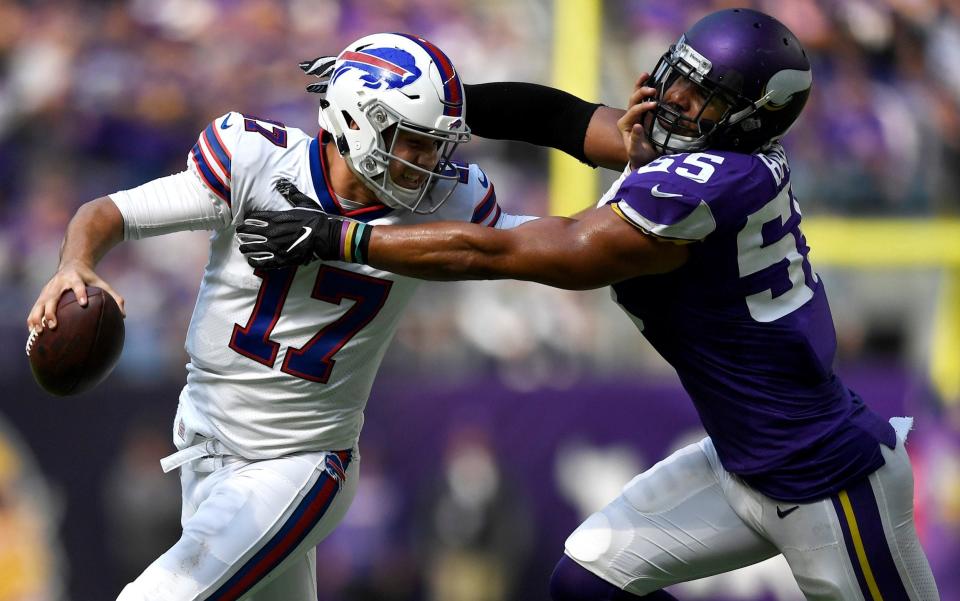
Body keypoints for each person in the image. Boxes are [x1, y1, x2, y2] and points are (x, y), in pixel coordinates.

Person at [237, 9, 941, 600]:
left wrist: (345, 237)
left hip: (827, 476)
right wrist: (409, 96)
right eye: (681, 79)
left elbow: (521, 252)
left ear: (752, 119)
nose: (677, 102)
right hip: (740, 463)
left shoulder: (711, 183)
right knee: (584, 583)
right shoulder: (703, 151)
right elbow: (563, 117)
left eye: (705, 98)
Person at [25, 32, 630, 601]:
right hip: (204, 443)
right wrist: (75, 262)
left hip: (301, 463)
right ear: (352, 122)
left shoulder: (449, 203)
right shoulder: (255, 159)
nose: (429, 161)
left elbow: (551, 248)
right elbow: (110, 211)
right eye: (412, 141)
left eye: (437, 143)